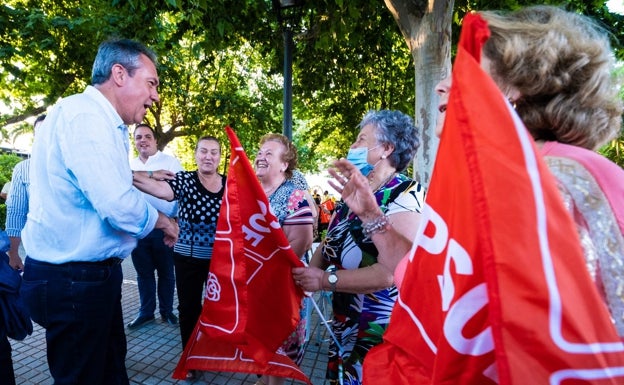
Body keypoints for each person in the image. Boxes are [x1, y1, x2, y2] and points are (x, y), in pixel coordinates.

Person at [19, 39, 179, 385]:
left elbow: (105, 178)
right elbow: (117, 203)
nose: (156, 96)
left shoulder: (98, 121)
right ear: (119, 74)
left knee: (109, 370)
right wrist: (165, 222)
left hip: (87, 279)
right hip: (73, 282)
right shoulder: (86, 117)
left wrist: (145, 176)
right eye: (151, 83)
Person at [292, 109, 424, 384]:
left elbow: (389, 272)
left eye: (361, 139)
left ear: (386, 149)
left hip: (377, 330)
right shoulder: (354, 194)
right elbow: (328, 244)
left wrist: (324, 280)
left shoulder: (407, 194)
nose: (353, 146)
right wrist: (306, 277)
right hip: (344, 323)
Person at [132, 135, 225, 382]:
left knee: (219, 308)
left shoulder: (230, 185)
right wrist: (151, 175)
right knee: (189, 309)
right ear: (195, 155)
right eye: (203, 151)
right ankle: (191, 358)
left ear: (220, 157)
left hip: (220, 260)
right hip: (186, 257)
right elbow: (154, 188)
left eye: (214, 152)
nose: (208, 156)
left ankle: (217, 353)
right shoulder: (184, 179)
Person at [254, 133, 314, 385]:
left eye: (269, 153)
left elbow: (300, 244)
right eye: (259, 152)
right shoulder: (251, 193)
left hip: (281, 289)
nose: (260, 156)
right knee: (262, 345)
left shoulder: (294, 196)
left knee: (279, 352)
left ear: (284, 164)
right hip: (255, 287)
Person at [127, 124, 184, 329]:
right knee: (144, 274)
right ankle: (146, 312)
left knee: (167, 273)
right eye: (138, 137)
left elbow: (182, 193)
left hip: (165, 229)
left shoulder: (170, 162)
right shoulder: (128, 165)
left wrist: (177, 221)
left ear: (155, 140)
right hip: (139, 229)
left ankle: (167, 311)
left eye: (147, 136)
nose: (143, 140)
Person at [5, 114, 46, 271]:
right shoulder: (24, 169)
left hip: (81, 261)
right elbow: (16, 213)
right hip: (38, 255)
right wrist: (13, 254)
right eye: (39, 133)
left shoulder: (77, 165)